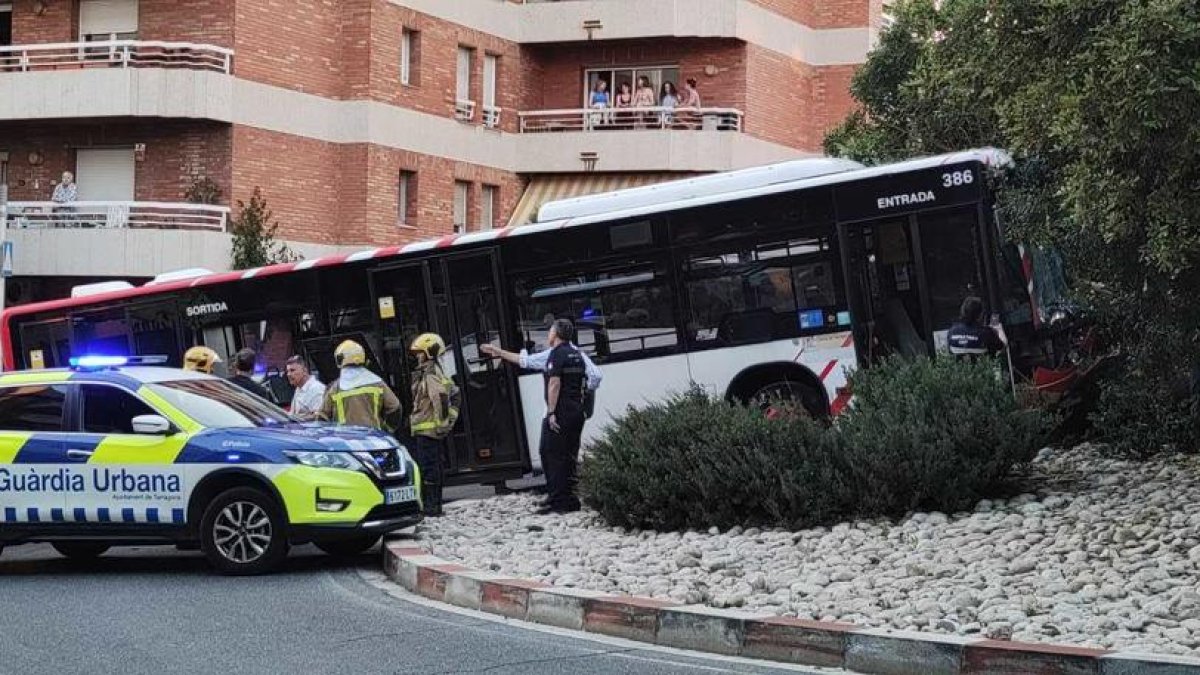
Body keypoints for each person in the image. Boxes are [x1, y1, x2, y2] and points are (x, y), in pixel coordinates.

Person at [481, 319, 589, 514]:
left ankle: (558, 500)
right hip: (577, 411)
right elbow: (590, 379)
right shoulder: (578, 355)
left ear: (556, 334)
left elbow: (554, 384)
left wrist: (551, 413)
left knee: (550, 452)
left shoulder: (556, 355)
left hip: (561, 411)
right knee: (568, 455)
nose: (548, 334)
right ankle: (568, 497)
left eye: (550, 331)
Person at [407, 333, 460, 517]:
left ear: (429, 352)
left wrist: (442, 425)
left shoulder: (430, 374)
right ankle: (433, 506)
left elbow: (441, 398)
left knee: (428, 469)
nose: (417, 356)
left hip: (428, 431)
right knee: (431, 467)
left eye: (420, 353)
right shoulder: (432, 371)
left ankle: (431, 508)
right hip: (428, 431)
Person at [319, 339, 402, 431]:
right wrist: (387, 429)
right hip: (375, 438)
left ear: (340, 359)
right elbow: (395, 407)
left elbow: (322, 417)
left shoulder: (335, 388)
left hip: (346, 441)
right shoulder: (378, 383)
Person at [285, 355, 326, 421]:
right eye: (287, 371)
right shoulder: (299, 387)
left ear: (304, 371)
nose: (288, 374)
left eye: (292, 370)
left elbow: (319, 417)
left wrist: (296, 418)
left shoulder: (317, 389)